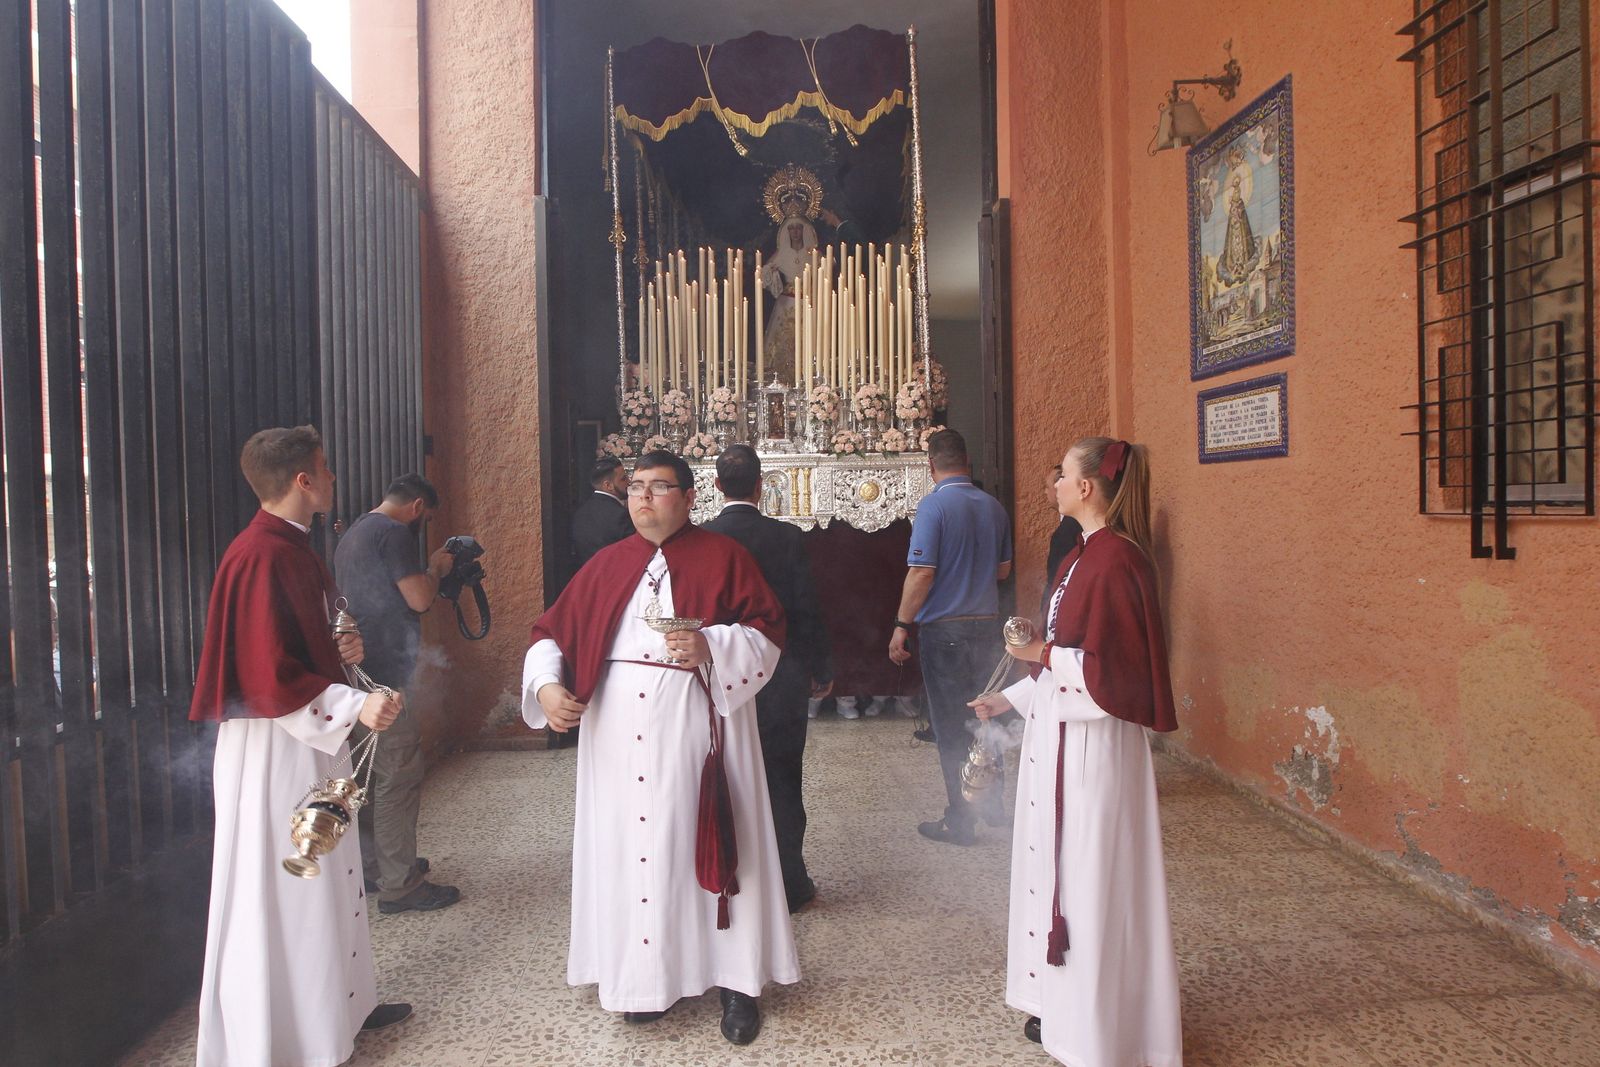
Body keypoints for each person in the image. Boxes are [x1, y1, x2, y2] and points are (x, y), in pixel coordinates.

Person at [520, 450, 798, 1045]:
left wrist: (712, 646)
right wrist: (545, 686)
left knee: (712, 839)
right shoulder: (606, 564)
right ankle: (645, 980)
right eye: (636, 487)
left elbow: (768, 632)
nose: (643, 498)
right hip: (616, 742)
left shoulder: (725, 556)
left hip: (697, 733)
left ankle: (736, 981)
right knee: (635, 851)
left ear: (691, 498)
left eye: (659, 487)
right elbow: (550, 634)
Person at [189, 426, 411, 1067]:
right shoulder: (262, 554)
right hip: (276, 744)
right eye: (325, 467)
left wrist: (344, 651)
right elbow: (265, 672)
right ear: (303, 480)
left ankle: (344, 1008)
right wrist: (355, 703)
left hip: (307, 733)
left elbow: (300, 641)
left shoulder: (291, 546)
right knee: (294, 877)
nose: (333, 477)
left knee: (330, 871)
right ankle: (296, 1038)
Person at [969, 437, 1182, 1065]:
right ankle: (1060, 1002)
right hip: (1062, 735)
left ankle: (1099, 1030)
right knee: (1058, 870)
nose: (1055, 485)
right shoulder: (1084, 554)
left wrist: (1040, 654)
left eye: (1061, 475)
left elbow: (1118, 670)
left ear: (1087, 487)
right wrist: (1012, 697)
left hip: (1095, 749)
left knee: (1091, 880)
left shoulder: (1116, 560)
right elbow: (1072, 650)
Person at [705, 445, 833, 913]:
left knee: (726, 774)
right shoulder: (787, 537)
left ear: (716, 486)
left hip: (721, 676)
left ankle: (728, 880)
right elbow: (806, 606)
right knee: (782, 776)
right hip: (781, 672)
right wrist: (820, 666)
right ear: (762, 486)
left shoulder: (703, 538)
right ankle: (790, 884)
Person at [334, 474, 461, 914]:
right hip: (385, 675)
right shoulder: (393, 532)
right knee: (399, 776)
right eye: (426, 517)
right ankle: (401, 885)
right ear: (417, 507)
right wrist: (437, 568)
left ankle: (378, 867)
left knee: (371, 776)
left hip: (359, 675)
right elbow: (419, 598)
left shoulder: (355, 532)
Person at [888, 429, 1013, 845]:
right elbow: (1003, 570)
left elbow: (922, 572)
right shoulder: (993, 506)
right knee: (987, 718)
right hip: (987, 625)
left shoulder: (934, 506)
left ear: (931, 465)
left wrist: (902, 624)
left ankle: (960, 820)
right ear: (967, 462)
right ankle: (991, 805)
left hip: (946, 631)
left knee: (951, 726)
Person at [570, 456, 634, 566]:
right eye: (623, 479)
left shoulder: (580, 512)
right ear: (608, 485)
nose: (629, 482)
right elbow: (634, 552)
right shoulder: (620, 515)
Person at [1042, 464, 1085, 615]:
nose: (1045, 491)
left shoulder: (1069, 530)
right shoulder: (1069, 526)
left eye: (1047, 486)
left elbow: (1057, 579)